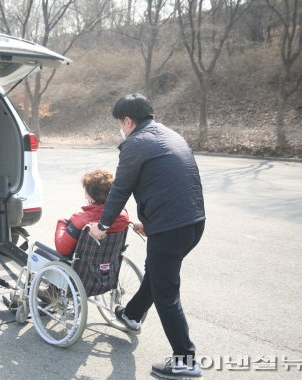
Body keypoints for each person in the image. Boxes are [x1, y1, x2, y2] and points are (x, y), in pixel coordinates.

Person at [89, 93, 206, 379]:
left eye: (120, 123)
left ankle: (185, 359)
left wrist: (102, 226)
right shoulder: (170, 135)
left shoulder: (136, 143)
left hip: (171, 228)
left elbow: (120, 190)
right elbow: (171, 186)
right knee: (156, 273)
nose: (121, 128)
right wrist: (151, 226)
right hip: (193, 223)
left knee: (166, 294)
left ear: (127, 121)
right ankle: (131, 314)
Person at [54, 169, 129, 255]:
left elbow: (62, 250)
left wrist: (61, 223)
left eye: (86, 192)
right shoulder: (123, 215)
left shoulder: (80, 220)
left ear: (92, 200)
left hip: (81, 266)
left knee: (39, 252)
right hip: (110, 262)